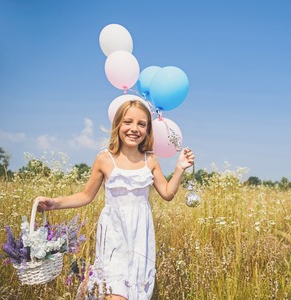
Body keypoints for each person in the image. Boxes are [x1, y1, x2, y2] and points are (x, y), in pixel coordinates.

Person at [34, 99, 195, 300]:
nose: (134, 129)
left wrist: (179, 168)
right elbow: (86, 195)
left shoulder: (150, 160)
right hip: (114, 235)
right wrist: (54, 203)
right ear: (118, 124)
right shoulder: (105, 158)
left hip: (140, 238)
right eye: (128, 122)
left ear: (148, 129)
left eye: (141, 124)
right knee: (115, 293)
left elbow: (168, 193)